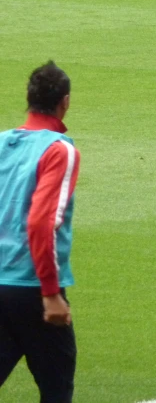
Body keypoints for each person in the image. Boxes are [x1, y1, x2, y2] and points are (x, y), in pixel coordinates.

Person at [0, 62, 81, 403]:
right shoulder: (60, 150)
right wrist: (50, 292)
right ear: (65, 102)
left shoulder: (2, 142)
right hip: (32, 288)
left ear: (29, 100)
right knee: (56, 388)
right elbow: (41, 222)